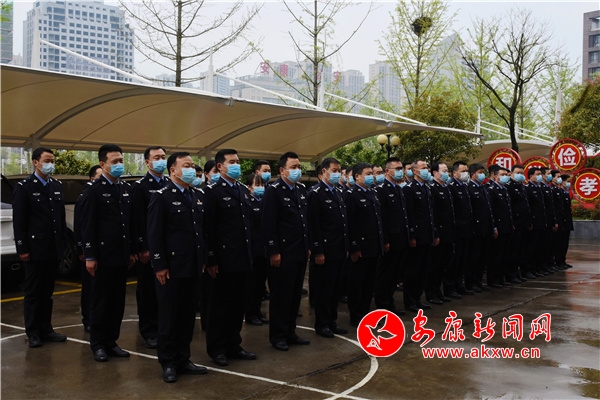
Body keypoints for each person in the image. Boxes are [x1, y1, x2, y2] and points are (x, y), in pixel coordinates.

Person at [147, 152, 208, 383]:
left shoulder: (197, 195)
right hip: (171, 268)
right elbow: (155, 234)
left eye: (193, 165)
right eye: (186, 165)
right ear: (173, 170)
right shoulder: (161, 197)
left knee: (186, 317)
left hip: (192, 266)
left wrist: (202, 259)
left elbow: (200, 232)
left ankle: (183, 358)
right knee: (169, 317)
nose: (192, 169)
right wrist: (159, 265)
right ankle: (168, 362)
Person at [79, 144, 137, 362]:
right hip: (102, 256)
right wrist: (90, 256)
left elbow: (130, 224)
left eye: (121, 160)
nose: (119, 165)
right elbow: (87, 226)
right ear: (103, 164)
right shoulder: (93, 191)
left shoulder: (125, 189)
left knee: (116, 302)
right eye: (115, 161)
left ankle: (111, 341)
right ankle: (98, 344)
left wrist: (132, 251)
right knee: (100, 302)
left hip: (120, 255)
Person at [203, 149, 256, 366]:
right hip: (223, 260)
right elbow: (208, 228)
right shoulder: (212, 192)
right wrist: (211, 259)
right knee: (220, 306)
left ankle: (234, 344)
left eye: (238, 161)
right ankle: (217, 348)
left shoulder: (242, 190)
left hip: (242, 257)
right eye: (232, 162)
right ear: (220, 166)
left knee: (237, 305)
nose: (237, 165)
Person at [12, 147, 68, 348]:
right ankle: (33, 331)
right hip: (35, 248)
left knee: (47, 292)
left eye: (52, 160)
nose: (50, 164)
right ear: (36, 162)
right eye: (47, 160)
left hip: (53, 248)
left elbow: (60, 218)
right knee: (34, 292)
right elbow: (19, 221)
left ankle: (46, 328)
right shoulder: (24, 187)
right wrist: (22, 248)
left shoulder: (56, 185)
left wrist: (62, 244)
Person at [262, 151, 311, 351]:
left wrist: (307, 246)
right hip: (283, 253)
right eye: (293, 167)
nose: (297, 170)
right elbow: (268, 223)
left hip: (299, 251)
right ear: (282, 170)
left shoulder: (300, 189)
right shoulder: (274, 191)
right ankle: (278, 336)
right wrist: (273, 251)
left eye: (299, 167)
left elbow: (304, 221)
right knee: (281, 297)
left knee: (294, 296)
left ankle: (291, 332)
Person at [131, 146, 169, 349]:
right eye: (157, 157)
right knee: (147, 292)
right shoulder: (140, 187)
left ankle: (163, 328)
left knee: (164, 292)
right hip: (149, 248)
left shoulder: (169, 184)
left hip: (167, 248)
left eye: (163, 157)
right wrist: (143, 247)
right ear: (147, 162)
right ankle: (149, 331)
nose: (161, 161)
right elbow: (137, 219)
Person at [307, 157, 350, 338]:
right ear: (324, 172)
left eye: (339, 171)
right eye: (334, 170)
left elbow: (342, 223)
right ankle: (322, 323)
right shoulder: (316, 194)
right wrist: (318, 251)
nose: (337, 174)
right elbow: (313, 225)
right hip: (325, 251)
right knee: (324, 289)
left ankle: (332, 321)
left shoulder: (338, 192)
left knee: (335, 289)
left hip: (339, 249)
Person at [345, 162, 385, 325]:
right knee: (357, 284)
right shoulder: (351, 195)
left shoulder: (373, 193)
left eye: (371, 174)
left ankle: (366, 313)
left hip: (374, 246)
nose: (371, 177)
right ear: (357, 176)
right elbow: (351, 224)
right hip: (361, 248)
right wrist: (354, 247)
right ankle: (356, 316)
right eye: (368, 174)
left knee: (369, 283)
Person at [374, 157, 409, 315]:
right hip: (391, 240)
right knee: (386, 274)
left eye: (401, 168)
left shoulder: (398, 189)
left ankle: (390, 303)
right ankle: (382, 304)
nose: (401, 171)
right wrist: (385, 240)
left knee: (395, 274)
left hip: (401, 238)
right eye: (397, 169)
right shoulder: (381, 190)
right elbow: (382, 217)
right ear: (387, 171)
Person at [402, 160, 437, 312]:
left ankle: (417, 298)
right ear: (415, 171)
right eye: (423, 168)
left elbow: (430, 213)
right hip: (417, 235)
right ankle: (410, 301)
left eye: (427, 168)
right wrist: (412, 236)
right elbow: (409, 214)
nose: (426, 170)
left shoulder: (426, 188)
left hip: (427, 234)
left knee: (423, 269)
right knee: (413, 270)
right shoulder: (409, 189)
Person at [75, 164, 102, 333]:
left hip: (105, 251)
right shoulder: (86, 196)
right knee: (90, 287)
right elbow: (81, 226)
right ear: (92, 179)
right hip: (90, 251)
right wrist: (82, 250)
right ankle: (88, 319)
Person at [426, 162, 455, 304]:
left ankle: (439, 291)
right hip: (439, 233)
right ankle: (431, 293)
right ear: (435, 173)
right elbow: (433, 214)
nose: (446, 173)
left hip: (448, 233)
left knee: (444, 264)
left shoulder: (446, 188)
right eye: (443, 170)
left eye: (447, 170)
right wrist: (436, 233)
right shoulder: (432, 188)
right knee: (434, 265)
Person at [465, 163, 496, 293]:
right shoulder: (469, 188)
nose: (482, 175)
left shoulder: (483, 188)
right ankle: (470, 283)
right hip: (476, 229)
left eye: (483, 172)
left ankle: (478, 281)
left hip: (486, 228)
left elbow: (489, 210)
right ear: (473, 174)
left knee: (483, 258)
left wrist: (492, 227)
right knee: (474, 258)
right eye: (480, 172)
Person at [244, 173, 269, 326]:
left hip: (263, 250)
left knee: (260, 284)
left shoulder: (264, 201)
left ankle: (258, 311)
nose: (260, 188)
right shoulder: (247, 203)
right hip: (253, 249)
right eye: (257, 185)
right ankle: (250, 313)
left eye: (262, 185)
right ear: (249, 187)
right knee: (251, 285)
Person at [446, 161, 473, 297]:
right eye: (463, 171)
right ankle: (450, 287)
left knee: (463, 259)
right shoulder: (451, 187)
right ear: (455, 173)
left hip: (466, 228)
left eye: (466, 171)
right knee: (454, 260)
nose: (465, 174)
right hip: (457, 229)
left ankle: (459, 284)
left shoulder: (464, 186)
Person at [486, 165, 514, 288]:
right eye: (502, 175)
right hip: (499, 227)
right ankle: (493, 279)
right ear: (495, 176)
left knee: (504, 254)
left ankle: (501, 278)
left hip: (507, 226)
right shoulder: (492, 190)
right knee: (496, 255)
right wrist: (494, 227)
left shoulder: (504, 189)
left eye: (506, 175)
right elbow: (491, 210)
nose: (505, 177)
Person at [505, 165, 532, 283]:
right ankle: (511, 274)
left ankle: (518, 272)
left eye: (522, 172)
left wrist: (528, 221)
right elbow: (509, 207)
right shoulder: (509, 187)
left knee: (522, 250)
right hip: (516, 223)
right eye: (517, 172)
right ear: (511, 173)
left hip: (524, 223)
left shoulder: (521, 186)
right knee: (513, 251)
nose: (520, 175)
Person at [523, 167, 546, 278]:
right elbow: (528, 207)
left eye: (540, 174)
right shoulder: (528, 188)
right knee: (530, 248)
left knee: (539, 247)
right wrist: (530, 222)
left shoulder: (538, 188)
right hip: (534, 222)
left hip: (540, 222)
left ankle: (536, 268)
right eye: (537, 174)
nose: (540, 176)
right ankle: (527, 269)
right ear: (531, 176)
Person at [556, 175, 574, 269]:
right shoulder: (559, 192)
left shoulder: (565, 193)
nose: (568, 183)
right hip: (561, 221)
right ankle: (558, 261)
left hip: (566, 222)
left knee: (565, 243)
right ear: (562, 182)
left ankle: (562, 260)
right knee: (560, 243)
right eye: (567, 181)